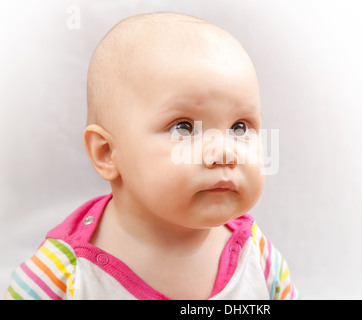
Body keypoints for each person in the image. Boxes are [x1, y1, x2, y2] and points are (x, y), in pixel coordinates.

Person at [5, 12, 298, 300]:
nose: (224, 153)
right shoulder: (65, 274)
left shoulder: (255, 253)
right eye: (183, 128)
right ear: (107, 152)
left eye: (239, 127)